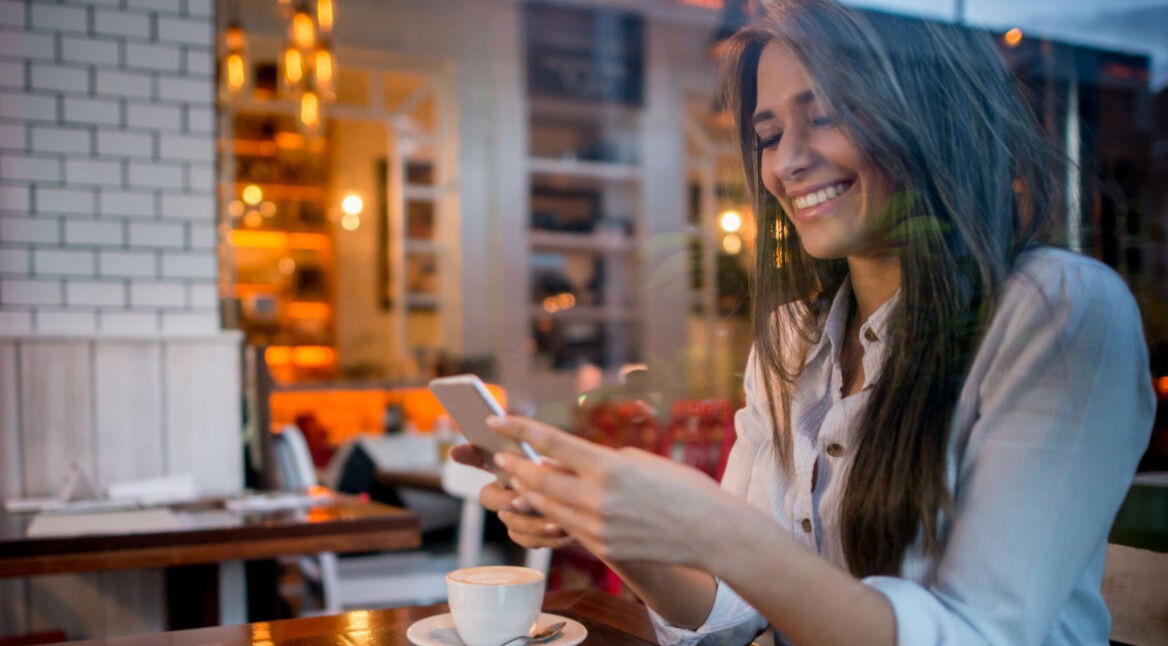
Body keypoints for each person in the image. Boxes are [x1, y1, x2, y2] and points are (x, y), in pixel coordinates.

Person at [454, 1, 1155, 643]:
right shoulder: (793, 338)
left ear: (929, 113)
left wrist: (717, 530)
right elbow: (733, 612)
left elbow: (976, 634)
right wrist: (603, 521)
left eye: (826, 115)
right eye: (768, 134)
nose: (785, 163)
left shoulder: (1058, 312)